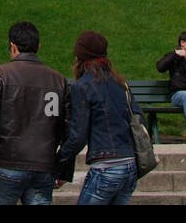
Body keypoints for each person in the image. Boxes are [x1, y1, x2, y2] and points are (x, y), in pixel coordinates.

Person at [0, 21, 69, 205]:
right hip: (43, 163)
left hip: (8, 161)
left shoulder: (1, 75)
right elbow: (66, 127)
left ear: (12, 46)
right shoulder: (58, 80)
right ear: (38, 47)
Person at [56, 31, 141, 205]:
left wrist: (57, 162)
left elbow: (78, 136)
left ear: (80, 56)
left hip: (106, 165)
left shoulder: (83, 86)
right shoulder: (121, 83)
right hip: (130, 164)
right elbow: (139, 119)